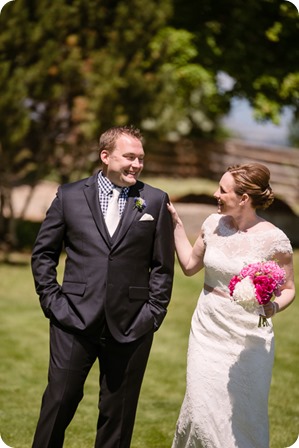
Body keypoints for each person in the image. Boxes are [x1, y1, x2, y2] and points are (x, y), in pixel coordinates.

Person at [31, 125, 175, 448]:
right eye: (129, 157)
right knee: (58, 403)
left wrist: (152, 314)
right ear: (105, 156)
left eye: (140, 158)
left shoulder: (154, 200)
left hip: (132, 325)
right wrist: (53, 302)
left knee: (118, 418)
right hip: (73, 321)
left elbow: (163, 268)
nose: (137, 165)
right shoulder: (68, 196)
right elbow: (43, 254)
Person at [167, 163, 295, 448]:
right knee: (201, 411)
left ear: (244, 199)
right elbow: (189, 266)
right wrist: (175, 224)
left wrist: (273, 307)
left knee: (242, 417)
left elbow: (288, 290)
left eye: (223, 190)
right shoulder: (213, 224)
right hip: (208, 328)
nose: (216, 194)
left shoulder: (275, 240)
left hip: (249, 338)